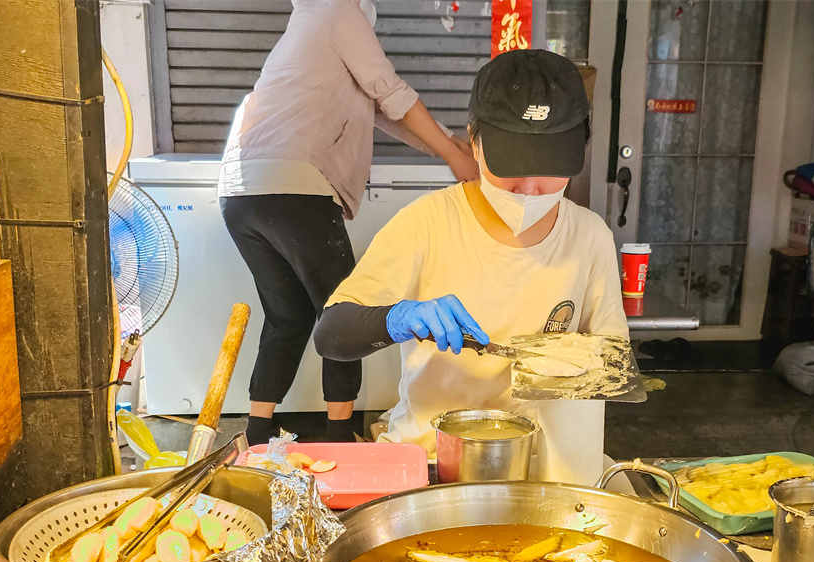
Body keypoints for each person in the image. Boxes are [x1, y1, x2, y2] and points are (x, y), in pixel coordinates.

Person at [314, 49, 629, 456]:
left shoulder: (590, 237)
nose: (530, 188)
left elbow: (611, 362)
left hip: (539, 459)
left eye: (549, 167)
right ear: (474, 142)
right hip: (428, 454)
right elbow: (331, 334)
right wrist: (399, 318)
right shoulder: (426, 223)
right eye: (513, 166)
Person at [218, 0, 478, 446]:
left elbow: (386, 112)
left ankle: (257, 434)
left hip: (241, 193)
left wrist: (450, 145)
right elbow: (392, 90)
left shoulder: (310, 24)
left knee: (288, 315)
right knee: (342, 311)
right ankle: (341, 436)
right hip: (293, 186)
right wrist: (455, 156)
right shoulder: (338, 11)